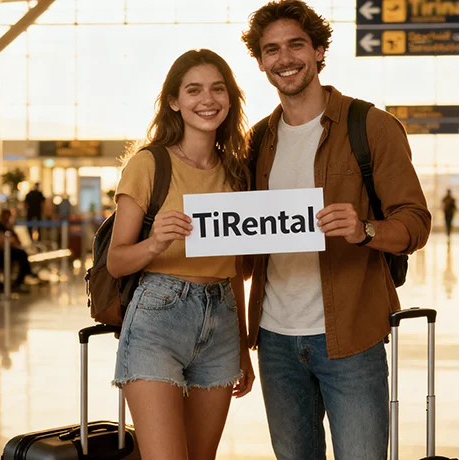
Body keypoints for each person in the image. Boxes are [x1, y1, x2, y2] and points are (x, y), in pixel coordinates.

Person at [240, 2, 432, 458]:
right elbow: (246, 239)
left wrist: (365, 228)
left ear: (319, 50)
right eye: (271, 50)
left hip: (351, 334)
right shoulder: (257, 141)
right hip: (275, 339)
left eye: (296, 45)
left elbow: (415, 222)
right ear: (261, 61)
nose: (284, 58)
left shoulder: (372, 127)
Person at [106, 49, 255, 460]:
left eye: (217, 89)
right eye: (194, 90)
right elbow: (116, 261)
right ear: (174, 101)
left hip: (221, 323)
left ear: (229, 99)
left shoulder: (235, 173)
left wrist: (242, 345)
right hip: (158, 319)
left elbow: (233, 271)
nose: (207, 99)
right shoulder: (149, 164)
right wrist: (154, 243)